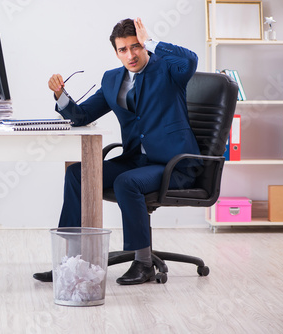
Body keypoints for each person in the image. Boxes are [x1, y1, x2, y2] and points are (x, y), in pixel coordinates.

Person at [33, 18, 201, 285]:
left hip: (173, 164)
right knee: (78, 173)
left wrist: (153, 42)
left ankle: (144, 263)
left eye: (136, 47)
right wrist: (60, 95)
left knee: (127, 182)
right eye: (123, 49)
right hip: (136, 159)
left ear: (144, 46)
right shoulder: (112, 79)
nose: (131, 54)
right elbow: (82, 116)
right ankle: (71, 262)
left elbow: (190, 61)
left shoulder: (168, 70)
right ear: (116, 52)